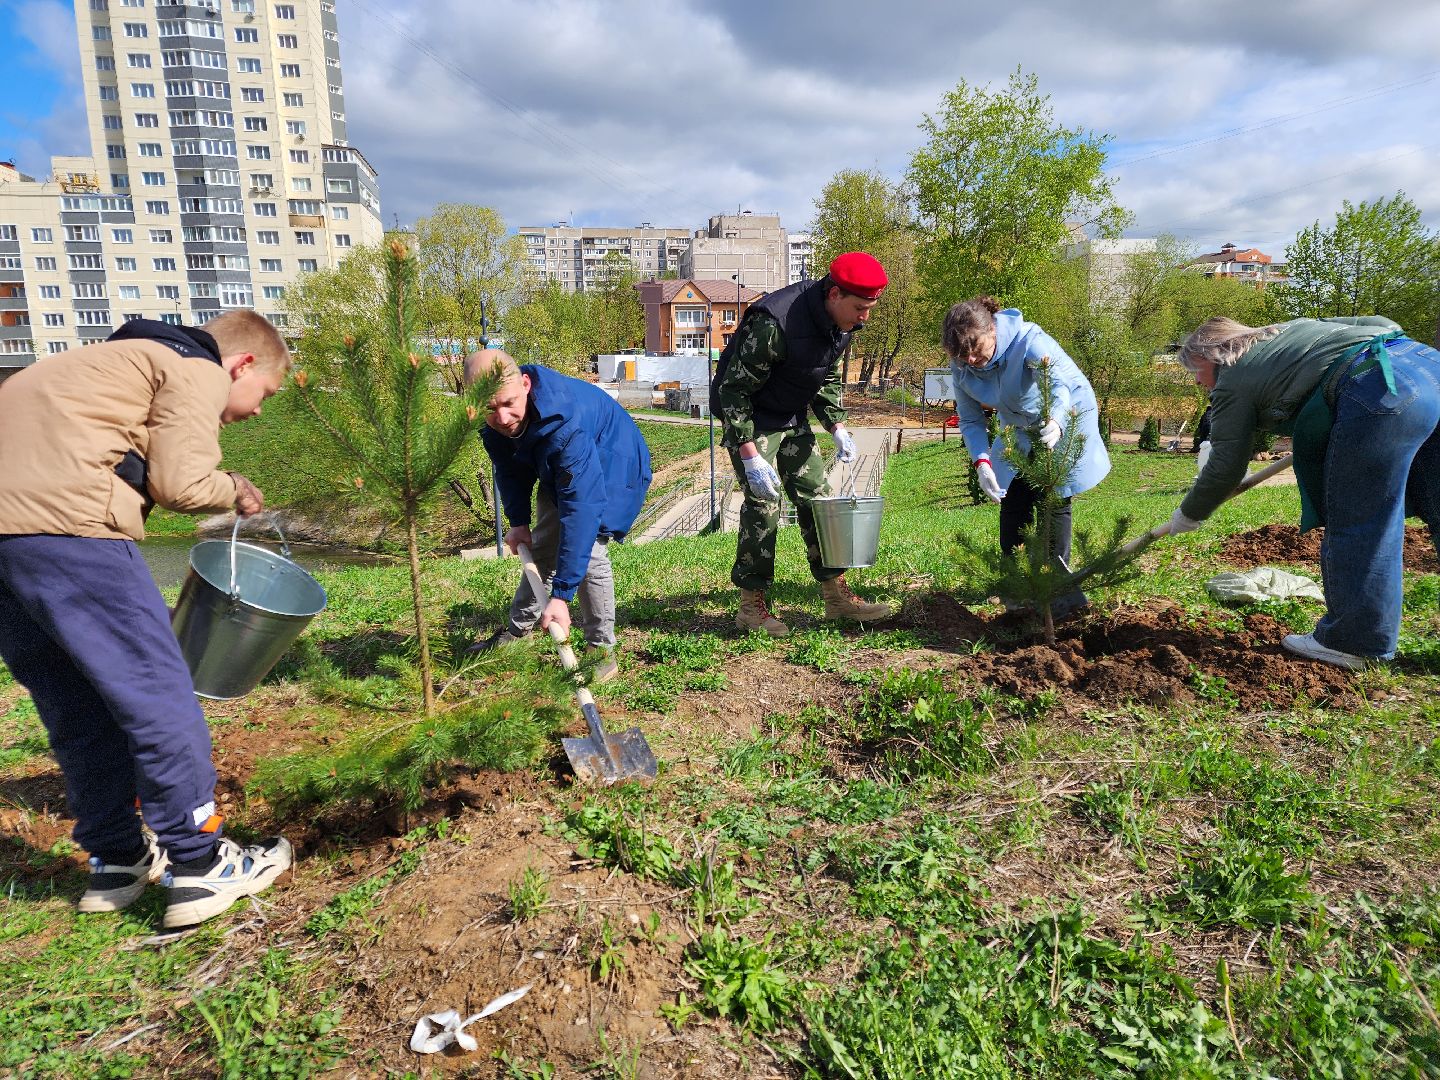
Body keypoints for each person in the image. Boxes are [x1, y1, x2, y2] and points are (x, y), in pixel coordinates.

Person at [0, 312, 294, 930]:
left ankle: (116, 859)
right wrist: (235, 487)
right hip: (74, 529)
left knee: (75, 705)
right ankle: (200, 862)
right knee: (159, 696)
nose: (257, 411)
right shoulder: (190, 363)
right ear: (241, 364)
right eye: (264, 393)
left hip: (7, 549)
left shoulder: (89, 365)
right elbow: (181, 483)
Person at [1169, 314, 1439, 670]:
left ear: (1210, 354)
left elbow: (1225, 466)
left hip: (1379, 389)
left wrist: (1189, 514)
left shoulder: (1231, 378)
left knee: (1360, 518)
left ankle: (1352, 643)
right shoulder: (1289, 331)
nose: (1197, 381)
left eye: (1194, 370)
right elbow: (1382, 321)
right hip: (1428, 367)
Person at [709, 252, 893, 637]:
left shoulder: (842, 323)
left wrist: (836, 425)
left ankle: (836, 597)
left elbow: (824, 376)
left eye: (869, 309)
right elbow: (733, 391)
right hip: (750, 416)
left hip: (791, 414)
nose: (864, 318)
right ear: (835, 294)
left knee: (819, 499)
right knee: (764, 503)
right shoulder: (774, 322)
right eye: (860, 308)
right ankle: (751, 606)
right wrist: (749, 455)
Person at [465, 349, 651, 682]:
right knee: (544, 543)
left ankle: (601, 651)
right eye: (490, 408)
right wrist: (519, 523)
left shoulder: (565, 422)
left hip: (613, 459)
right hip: (561, 461)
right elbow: (509, 469)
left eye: (508, 403)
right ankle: (517, 632)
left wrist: (562, 596)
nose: (503, 418)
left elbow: (581, 509)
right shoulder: (496, 420)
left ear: (525, 384)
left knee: (589, 551)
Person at [944, 296, 1110, 610]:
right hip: (1018, 422)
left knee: (1053, 493)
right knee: (1013, 495)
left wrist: (1057, 421)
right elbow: (970, 419)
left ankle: (1055, 586)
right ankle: (1017, 584)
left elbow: (1058, 386)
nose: (971, 360)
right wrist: (982, 462)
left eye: (976, 349)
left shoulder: (1029, 341)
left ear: (992, 330)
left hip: (1068, 410)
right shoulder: (962, 364)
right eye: (963, 355)